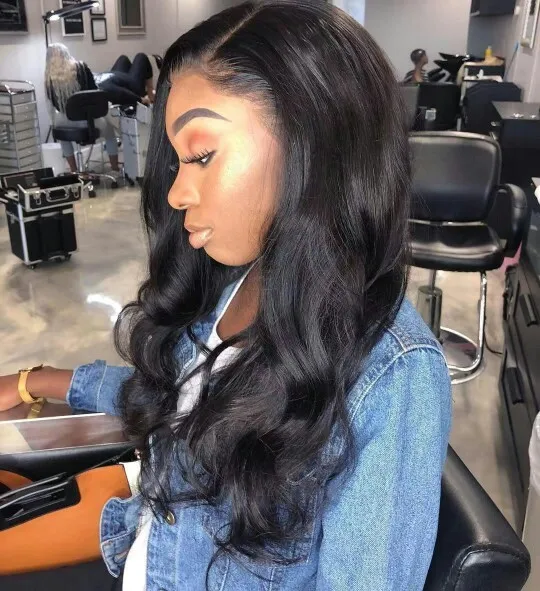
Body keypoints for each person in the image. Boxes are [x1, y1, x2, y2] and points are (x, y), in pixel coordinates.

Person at [2, 2, 452, 589]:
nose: (176, 194)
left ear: (313, 142)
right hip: (140, 552)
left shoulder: (392, 377)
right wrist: (38, 381)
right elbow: (179, 401)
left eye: (201, 155)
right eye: (177, 162)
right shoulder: (240, 280)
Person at [45, 43, 120, 174]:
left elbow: (51, 106)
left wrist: (54, 123)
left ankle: (74, 171)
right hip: (88, 121)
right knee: (110, 131)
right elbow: (95, 94)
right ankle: (114, 168)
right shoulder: (81, 68)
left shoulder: (49, 78)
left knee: (62, 134)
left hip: (64, 123)